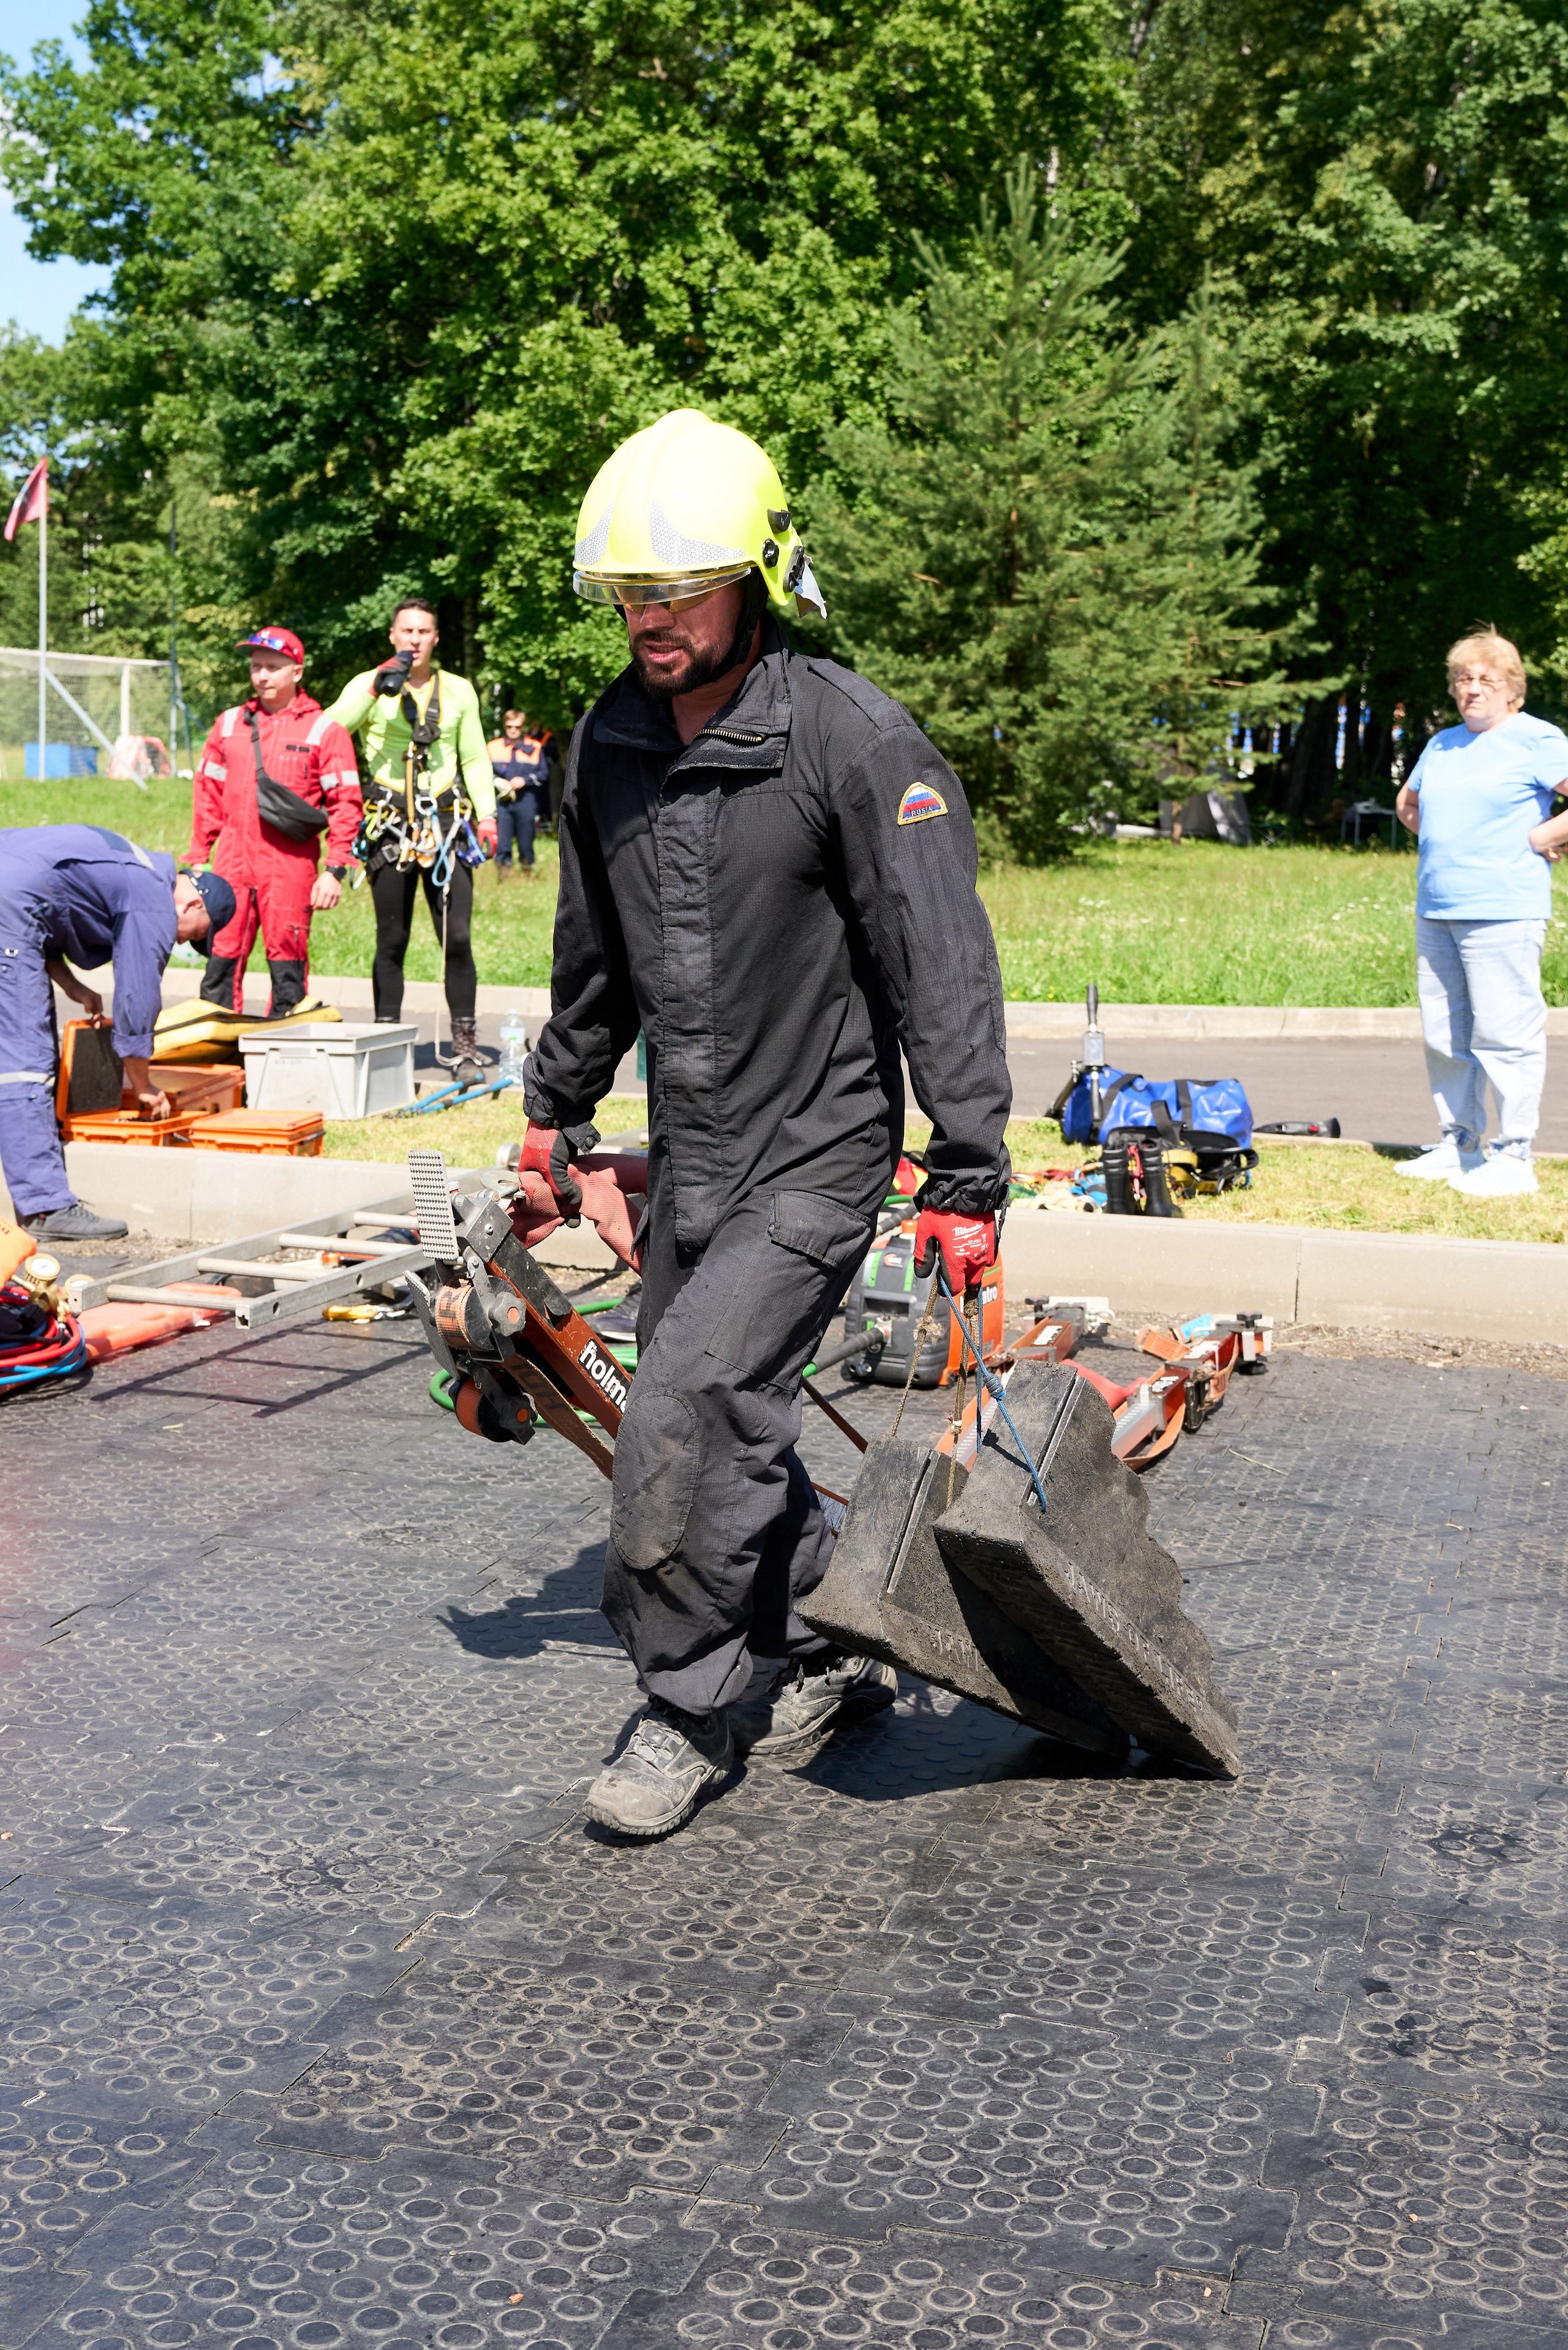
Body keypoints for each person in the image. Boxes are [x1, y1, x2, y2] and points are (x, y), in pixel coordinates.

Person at [521, 407, 1012, 1839]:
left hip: (818, 1147)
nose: (651, 619)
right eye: (630, 594)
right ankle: (818, 1630)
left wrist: (966, 1170)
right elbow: (594, 960)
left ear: (758, 579)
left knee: (683, 1407)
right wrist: (553, 1114)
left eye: (679, 591)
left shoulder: (851, 739)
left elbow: (939, 962)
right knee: (719, 1417)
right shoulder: (608, 742)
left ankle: (687, 1705)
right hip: (694, 1151)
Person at [1395, 629, 1568, 1197]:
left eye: (1486, 679)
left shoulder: (1536, 738)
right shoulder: (1443, 743)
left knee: (1503, 1033)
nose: (1472, 688)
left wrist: (1545, 834)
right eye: (1463, 678)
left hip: (1503, 909)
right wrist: (1446, 837)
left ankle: (1515, 1157)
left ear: (1512, 687)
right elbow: (1408, 803)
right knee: (1446, 1035)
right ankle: (1460, 1145)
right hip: (1438, 906)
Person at [0, 826, 233, 1243]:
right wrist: (142, 1084)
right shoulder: (154, 900)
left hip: (13, 895)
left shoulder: (137, 867)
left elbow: (41, 898)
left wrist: (72, 985)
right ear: (193, 904)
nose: (183, 941)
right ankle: (45, 1208)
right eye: (196, 934)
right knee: (26, 1063)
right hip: (11, 906)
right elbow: (136, 996)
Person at [324, 598, 498, 1085]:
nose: (415, 639)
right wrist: (376, 687)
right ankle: (387, 1045)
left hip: (445, 825)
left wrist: (488, 816)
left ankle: (464, 1049)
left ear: (436, 638)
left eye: (424, 632)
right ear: (392, 636)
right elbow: (330, 730)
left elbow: (474, 758)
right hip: (389, 826)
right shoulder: (368, 684)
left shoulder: (459, 690)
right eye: (407, 631)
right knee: (392, 939)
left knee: (456, 939)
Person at [188, 628, 363, 1018]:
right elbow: (207, 793)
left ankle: (283, 1046)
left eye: (272, 667)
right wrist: (199, 855)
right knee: (221, 955)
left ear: (297, 672)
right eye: (256, 667)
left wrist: (335, 870)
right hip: (231, 864)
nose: (262, 675)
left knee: (288, 963)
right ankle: (220, 1049)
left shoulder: (324, 730)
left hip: (290, 866)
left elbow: (346, 804)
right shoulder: (229, 723)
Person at [488, 709, 556, 878]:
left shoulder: (535, 747)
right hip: (502, 801)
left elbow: (544, 774)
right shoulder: (493, 747)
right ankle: (504, 878)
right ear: (504, 726)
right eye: (509, 726)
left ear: (523, 727)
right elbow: (484, 771)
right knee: (503, 842)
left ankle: (527, 875)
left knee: (526, 841)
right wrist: (497, 781)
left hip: (527, 799)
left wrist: (525, 780)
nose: (513, 730)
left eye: (517, 727)